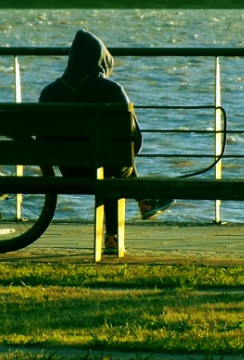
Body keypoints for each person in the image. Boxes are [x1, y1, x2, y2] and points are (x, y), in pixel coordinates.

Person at [39, 29, 173, 254]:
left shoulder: (49, 92)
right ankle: (133, 214)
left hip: (71, 171)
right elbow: (135, 143)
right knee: (115, 163)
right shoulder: (112, 90)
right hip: (108, 167)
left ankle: (145, 202)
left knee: (110, 161)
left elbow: (42, 143)